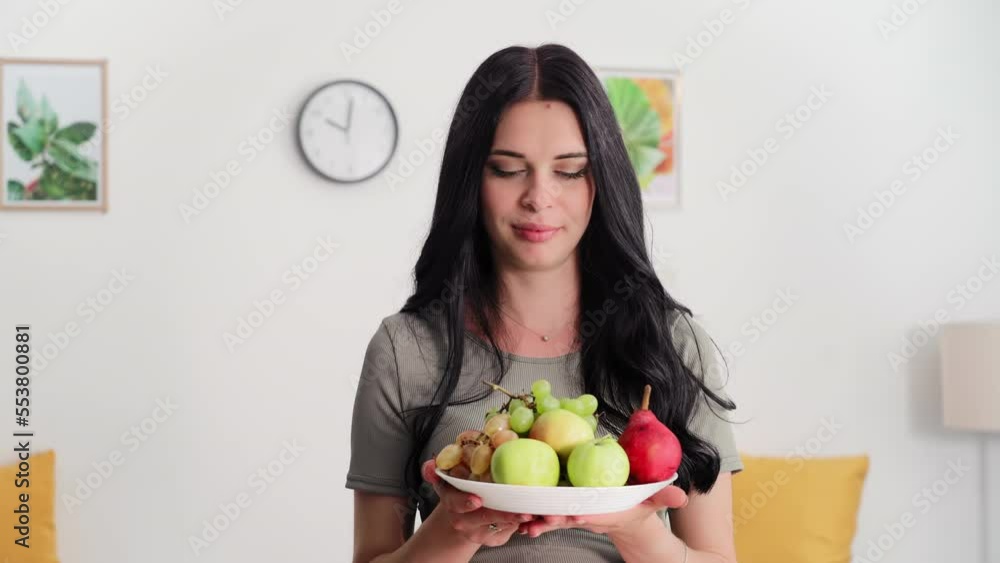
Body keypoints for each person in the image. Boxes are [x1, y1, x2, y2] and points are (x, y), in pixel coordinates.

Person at [346, 43, 742, 563]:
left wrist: (638, 531)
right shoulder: (406, 350)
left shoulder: (670, 345)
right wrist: (456, 529)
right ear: (472, 181)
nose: (539, 196)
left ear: (601, 183)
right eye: (509, 169)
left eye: (570, 170)